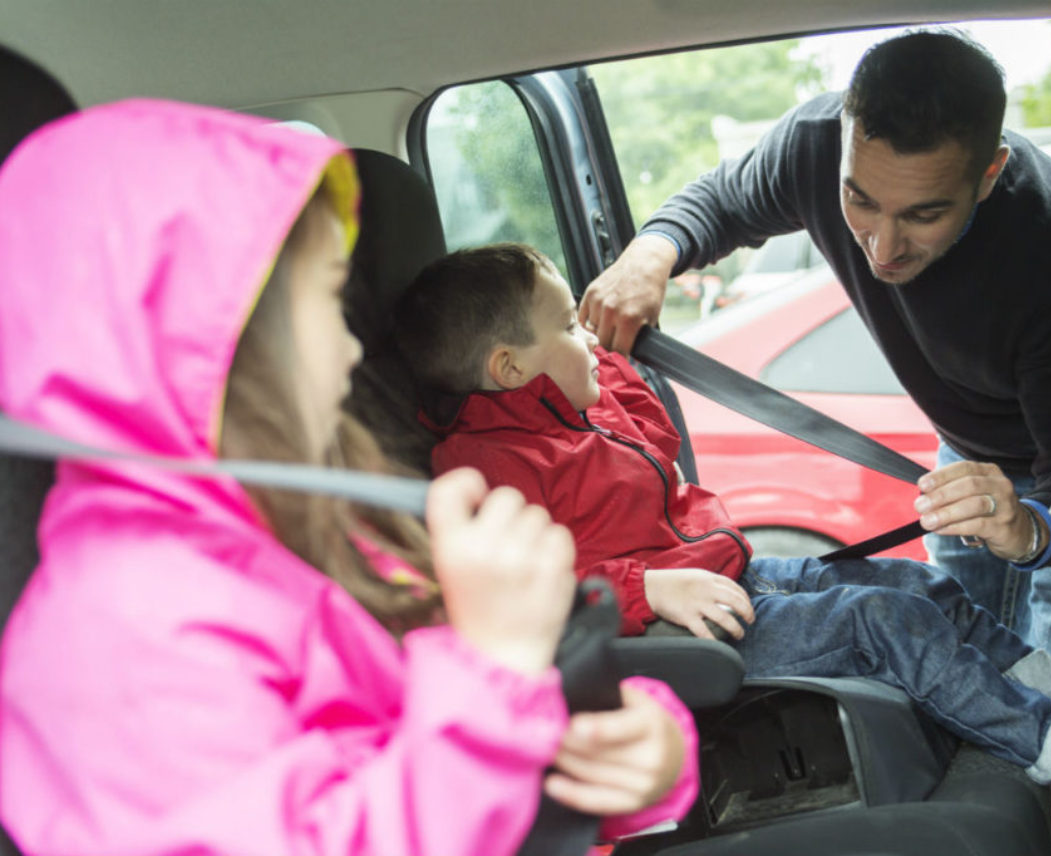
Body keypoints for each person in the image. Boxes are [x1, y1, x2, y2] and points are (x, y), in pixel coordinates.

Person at [0, 100, 698, 855]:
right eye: (332, 302)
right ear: (216, 337)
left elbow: (457, 733)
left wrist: (638, 744)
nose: (349, 349)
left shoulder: (319, 530)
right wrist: (494, 674)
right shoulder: (119, 637)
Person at [389, 241, 1051, 822]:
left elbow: (656, 440)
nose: (586, 337)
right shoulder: (485, 467)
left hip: (730, 576)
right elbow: (510, 593)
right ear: (509, 368)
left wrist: (602, 358)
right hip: (676, 633)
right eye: (568, 324)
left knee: (923, 585)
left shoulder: (573, 407)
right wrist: (649, 589)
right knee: (880, 621)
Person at [576, 29, 1051, 855]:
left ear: (989, 173)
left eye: (924, 214)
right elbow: (722, 202)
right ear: (843, 137)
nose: (880, 245)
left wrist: (1030, 530)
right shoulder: (814, 148)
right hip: (958, 464)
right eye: (859, 202)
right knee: (966, 703)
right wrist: (651, 253)